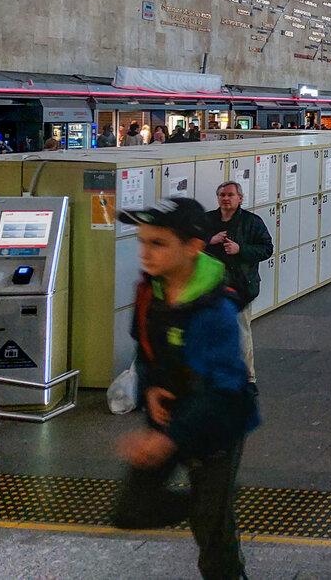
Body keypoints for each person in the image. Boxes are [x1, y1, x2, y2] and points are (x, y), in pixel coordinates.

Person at [111, 197, 259, 580]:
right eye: (142, 242)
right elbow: (145, 350)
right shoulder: (150, 292)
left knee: (213, 535)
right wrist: (151, 389)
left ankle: (216, 522)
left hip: (217, 420)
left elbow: (226, 388)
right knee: (132, 510)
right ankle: (209, 503)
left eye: (158, 243)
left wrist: (168, 441)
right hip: (171, 409)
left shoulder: (216, 310)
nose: (146, 253)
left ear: (193, 247)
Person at [203, 181, 274, 386]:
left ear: (240, 198)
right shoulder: (208, 220)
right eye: (222, 195)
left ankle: (248, 378)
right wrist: (210, 240)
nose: (226, 198)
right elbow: (191, 246)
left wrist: (240, 249)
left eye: (230, 195)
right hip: (211, 287)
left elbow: (267, 249)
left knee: (241, 332)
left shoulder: (252, 222)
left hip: (240, 287)